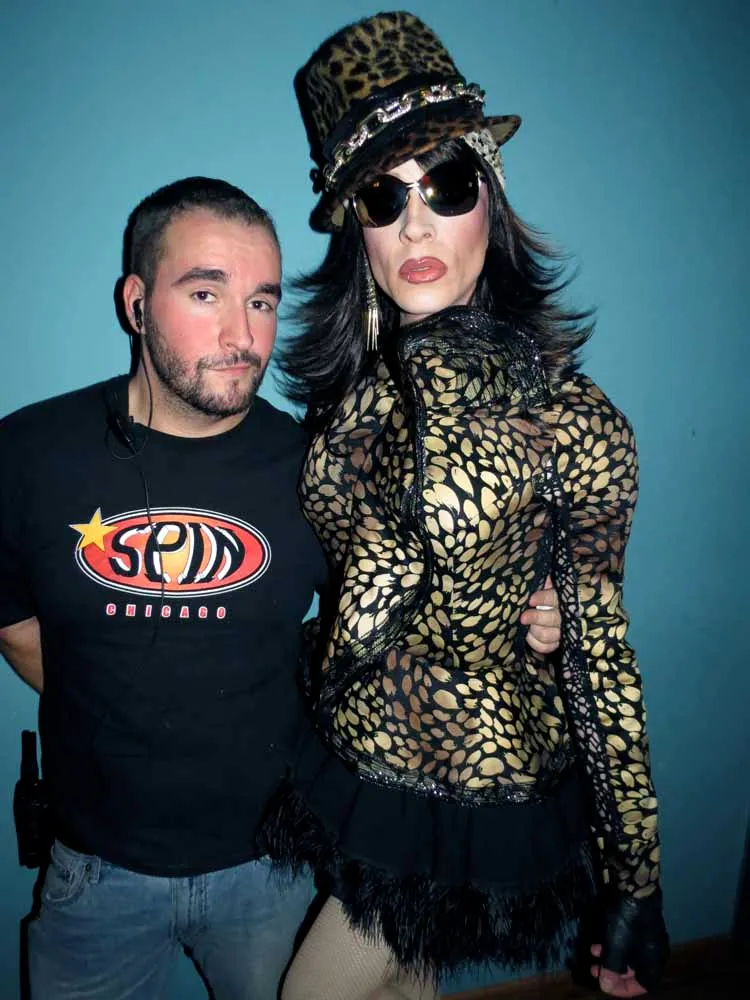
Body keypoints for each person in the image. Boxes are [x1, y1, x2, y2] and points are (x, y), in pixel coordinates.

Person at [0, 174, 560, 1000]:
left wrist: (528, 610)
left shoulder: (321, 468)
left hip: (271, 867)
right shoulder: (27, 456)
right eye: (205, 293)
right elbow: (16, 629)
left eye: (262, 301)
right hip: (94, 875)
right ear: (136, 303)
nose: (242, 334)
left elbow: (415, 613)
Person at [258, 11, 669, 1000]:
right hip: (356, 751)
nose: (415, 226)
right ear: (357, 230)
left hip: (466, 780)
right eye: (381, 197)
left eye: (444, 184)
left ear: (492, 193)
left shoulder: (574, 422)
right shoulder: (357, 394)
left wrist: (638, 880)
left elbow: (605, 658)